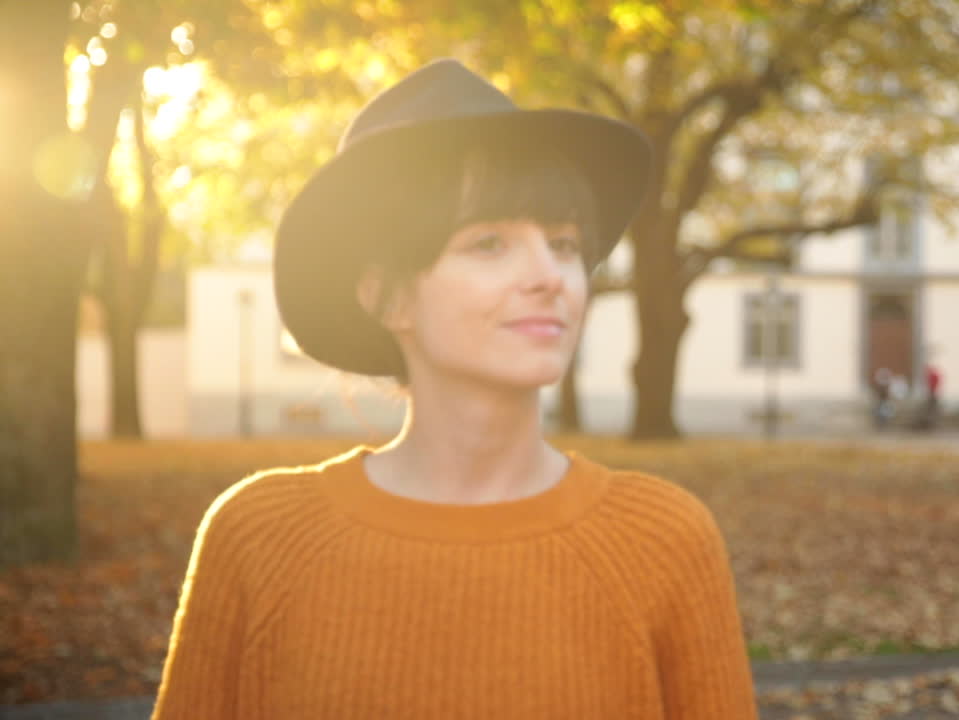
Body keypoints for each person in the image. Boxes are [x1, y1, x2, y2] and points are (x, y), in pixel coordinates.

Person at [151, 59, 758, 719]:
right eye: (490, 242)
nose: (550, 275)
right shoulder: (259, 539)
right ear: (386, 297)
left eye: (563, 242)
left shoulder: (662, 541)